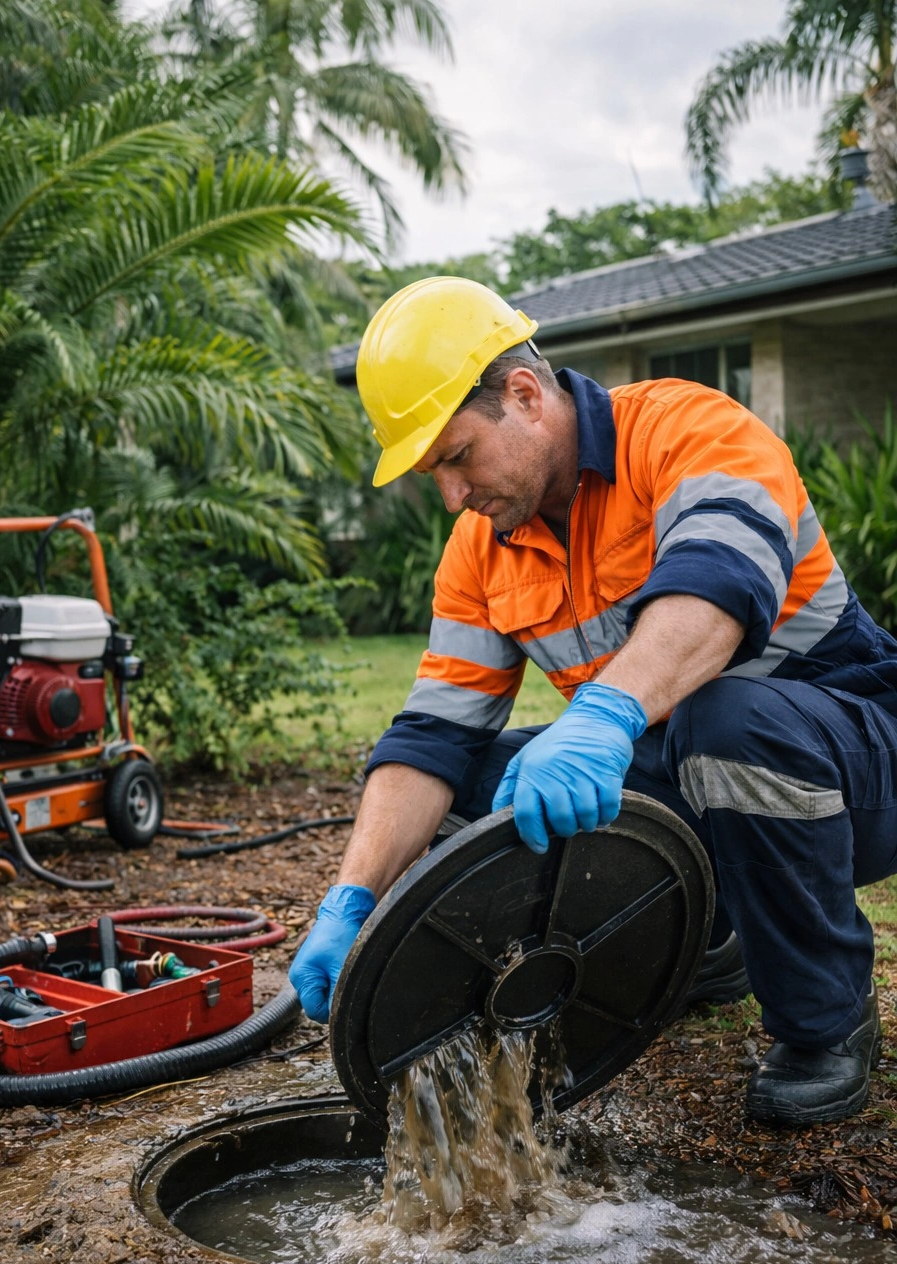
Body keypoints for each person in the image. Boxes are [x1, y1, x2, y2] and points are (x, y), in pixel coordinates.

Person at [290, 276, 897, 1126]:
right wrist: (353, 899)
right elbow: (432, 732)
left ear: (525, 395)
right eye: (435, 475)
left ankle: (827, 1025)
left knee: (725, 722)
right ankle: (705, 938)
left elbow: (717, 593)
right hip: (688, 763)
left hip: (851, 758)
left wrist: (603, 717)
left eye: (457, 457)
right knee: (469, 783)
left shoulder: (689, 429)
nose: (453, 497)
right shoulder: (482, 549)